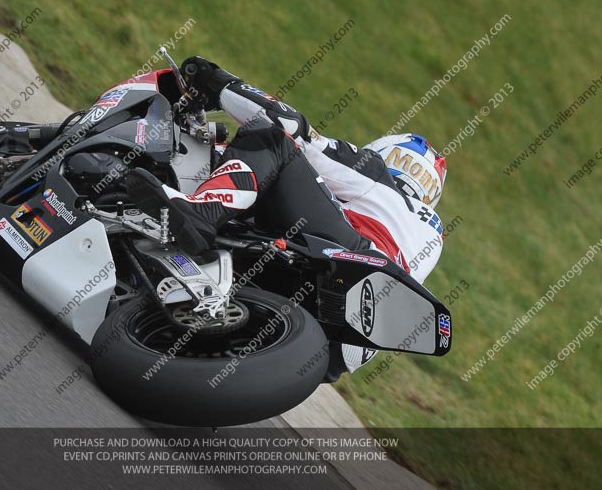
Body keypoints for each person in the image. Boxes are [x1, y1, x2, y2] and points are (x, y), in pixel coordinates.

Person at [127, 56, 448, 375]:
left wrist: (219, 84)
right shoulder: (431, 236)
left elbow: (297, 133)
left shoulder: (375, 174)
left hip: (345, 261)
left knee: (271, 139)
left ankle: (202, 213)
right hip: (336, 353)